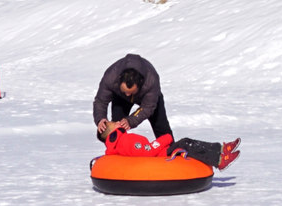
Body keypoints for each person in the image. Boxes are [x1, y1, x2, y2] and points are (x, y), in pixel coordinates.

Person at [92, 54, 238, 168]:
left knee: (161, 127)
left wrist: (131, 121)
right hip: (122, 106)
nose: (128, 95)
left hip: (150, 103)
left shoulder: (151, 79)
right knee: (120, 135)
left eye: (131, 92)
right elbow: (100, 100)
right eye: (125, 91)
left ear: (140, 84)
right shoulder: (111, 77)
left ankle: (180, 159)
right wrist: (100, 119)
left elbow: (148, 108)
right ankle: (122, 160)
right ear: (119, 81)